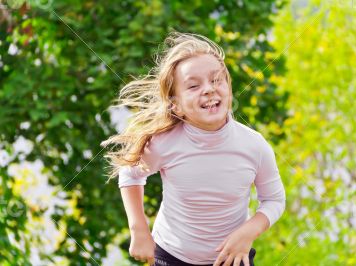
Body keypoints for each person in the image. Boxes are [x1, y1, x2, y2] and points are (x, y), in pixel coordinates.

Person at [101, 31, 286, 266]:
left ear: (229, 88)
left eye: (217, 80)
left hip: (231, 258)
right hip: (172, 256)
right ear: (176, 105)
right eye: (193, 85)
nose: (208, 89)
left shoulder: (254, 146)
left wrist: (248, 232)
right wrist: (139, 230)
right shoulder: (164, 143)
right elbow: (131, 174)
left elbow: (274, 199)